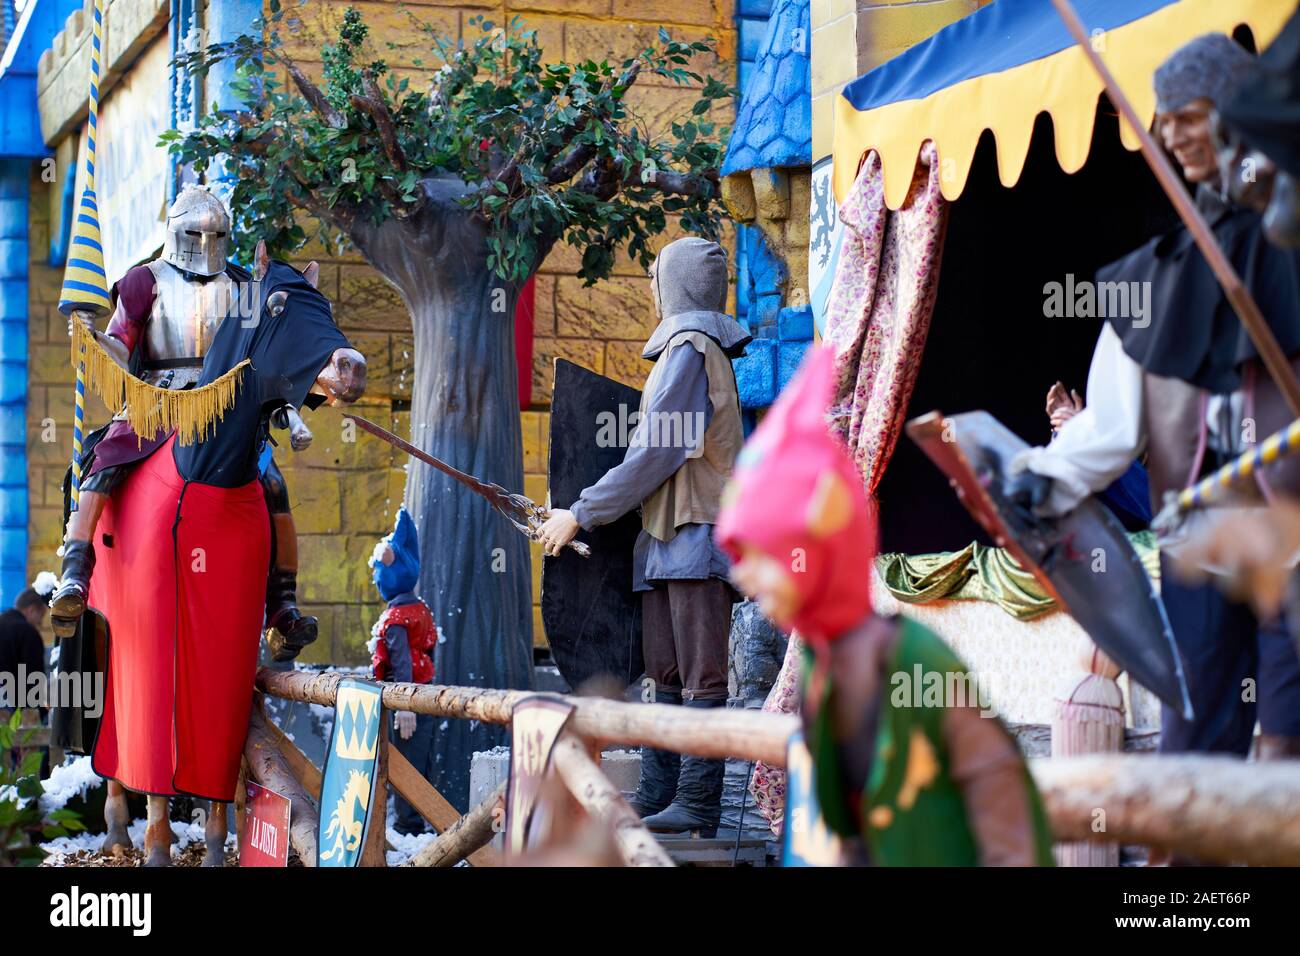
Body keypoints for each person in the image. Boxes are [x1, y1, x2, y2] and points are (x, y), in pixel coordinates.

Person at [1010, 34, 1300, 762]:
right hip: (1196, 545)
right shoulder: (1154, 277)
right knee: (1196, 745)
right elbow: (1110, 428)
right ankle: (1192, 883)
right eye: (1163, 118)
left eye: (1188, 115)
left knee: (1288, 747)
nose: (1171, 133)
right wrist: (1031, 479)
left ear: (1237, 114)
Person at [716, 347, 1053, 866]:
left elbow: (1009, 821)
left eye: (762, 555)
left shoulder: (914, 660)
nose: (742, 575)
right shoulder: (820, 663)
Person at [536, 236, 751, 837]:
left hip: (697, 534)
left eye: (658, 279)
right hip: (662, 540)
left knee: (702, 677)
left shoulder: (690, 350)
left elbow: (657, 451)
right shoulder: (680, 354)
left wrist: (581, 511)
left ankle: (698, 803)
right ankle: (662, 794)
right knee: (666, 675)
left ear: (673, 285)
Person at [51, 186, 317, 661]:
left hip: (224, 405)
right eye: (195, 233)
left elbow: (259, 354)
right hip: (155, 400)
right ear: (175, 233)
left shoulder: (240, 286)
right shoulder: (142, 281)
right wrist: (91, 337)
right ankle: (75, 572)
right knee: (104, 468)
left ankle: (281, 607)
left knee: (274, 486)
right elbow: (121, 343)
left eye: (215, 235)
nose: (205, 244)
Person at [367, 508, 439, 836]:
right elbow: (428, 651)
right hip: (423, 693)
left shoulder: (397, 618)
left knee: (405, 763)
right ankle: (417, 820)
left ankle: (407, 825)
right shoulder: (420, 609)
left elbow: (402, 661)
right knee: (419, 760)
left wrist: (406, 705)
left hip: (405, 702)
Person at [0, 585, 50, 772]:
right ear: (31, 609)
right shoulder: (28, 633)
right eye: (40, 617)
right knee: (21, 764)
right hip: (13, 707)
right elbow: (33, 679)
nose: (40, 623)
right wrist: (39, 711)